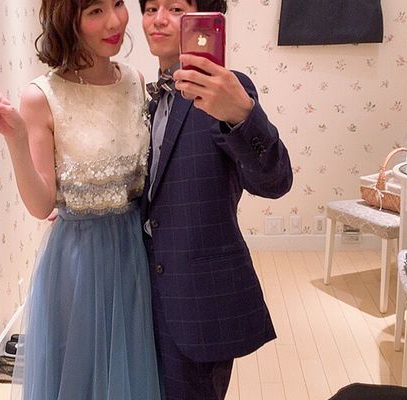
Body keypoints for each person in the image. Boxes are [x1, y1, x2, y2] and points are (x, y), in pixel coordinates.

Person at [0, 0, 161, 398]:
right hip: (78, 265)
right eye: (95, 11)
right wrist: (16, 138)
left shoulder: (134, 81)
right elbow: (41, 204)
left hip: (135, 253)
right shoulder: (42, 96)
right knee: (80, 379)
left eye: (118, 4)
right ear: (67, 21)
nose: (115, 21)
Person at [139, 0, 293, 399]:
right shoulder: (146, 99)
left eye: (175, 8)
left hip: (199, 296)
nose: (158, 20)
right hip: (141, 288)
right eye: (150, 7)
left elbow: (275, 181)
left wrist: (242, 115)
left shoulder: (225, 90)